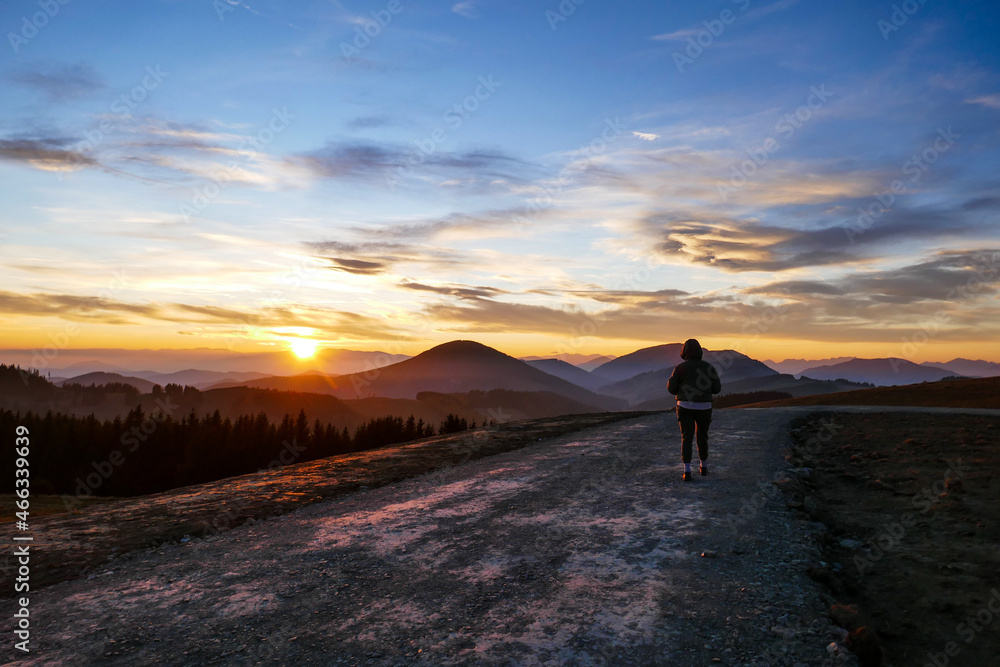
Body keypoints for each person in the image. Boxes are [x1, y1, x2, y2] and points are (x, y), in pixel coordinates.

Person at [666, 338, 722, 482]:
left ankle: (687, 471)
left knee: (687, 437)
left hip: (684, 406)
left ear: (684, 352)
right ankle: (703, 467)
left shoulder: (679, 368)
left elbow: (671, 389)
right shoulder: (709, 368)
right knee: (702, 436)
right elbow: (717, 389)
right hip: (704, 406)